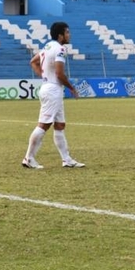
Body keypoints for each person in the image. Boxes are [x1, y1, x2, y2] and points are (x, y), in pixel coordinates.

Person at [21, 21, 85, 170]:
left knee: (60, 125)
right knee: (44, 125)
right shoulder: (60, 49)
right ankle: (28, 158)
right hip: (53, 90)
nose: (69, 35)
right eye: (67, 32)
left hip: (49, 88)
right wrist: (72, 88)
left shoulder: (47, 47)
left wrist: (44, 76)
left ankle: (66, 159)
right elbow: (59, 73)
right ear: (61, 35)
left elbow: (33, 62)